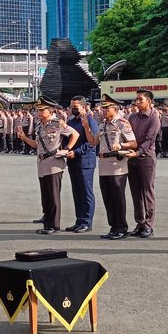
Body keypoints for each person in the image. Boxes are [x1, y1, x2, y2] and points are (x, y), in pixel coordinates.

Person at [16, 96, 79, 235]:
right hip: (42, 163)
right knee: (46, 195)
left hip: (54, 163)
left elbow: (75, 134)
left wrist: (67, 148)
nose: (39, 112)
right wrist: (24, 138)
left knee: (53, 195)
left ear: (50, 111)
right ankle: (47, 223)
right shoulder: (39, 125)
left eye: (42, 110)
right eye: (38, 110)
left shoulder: (57, 124)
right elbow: (36, 144)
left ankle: (54, 225)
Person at [82, 94, 137, 239]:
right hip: (104, 166)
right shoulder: (102, 125)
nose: (103, 111)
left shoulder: (122, 124)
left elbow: (133, 143)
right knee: (108, 198)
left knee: (118, 198)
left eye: (106, 108)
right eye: (103, 108)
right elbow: (93, 142)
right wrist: (87, 128)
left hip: (117, 166)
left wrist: (121, 144)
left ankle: (121, 228)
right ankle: (113, 226)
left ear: (115, 109)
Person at [126, 89, 161, 238]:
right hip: (132, 157)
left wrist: (138, 152)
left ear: (149, 101)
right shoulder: (132, 116)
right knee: (136, 193)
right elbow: (127, 136)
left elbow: (149, 140)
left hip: (145, 158)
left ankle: (148, 225)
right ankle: (139, 223)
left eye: (140, 99)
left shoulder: (154, 118)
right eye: (136, 99)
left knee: (147, 192)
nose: (137, 102)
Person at [64, 95, 98, 233]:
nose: (73, 109)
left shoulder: (90, 121)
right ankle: (79, 220)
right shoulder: (71, 122)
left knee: (86, 192)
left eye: (75, 107)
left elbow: (91, 142)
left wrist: (76, 152)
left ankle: (87, 222)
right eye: (71, 107)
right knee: (77, 192)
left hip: (85, 161)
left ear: (83, 107)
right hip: (72, 161)